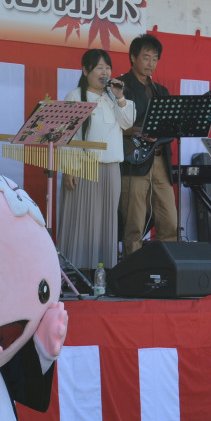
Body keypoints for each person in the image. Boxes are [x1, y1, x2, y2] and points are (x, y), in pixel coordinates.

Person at [57, 49, 135, 271]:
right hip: (84, 167)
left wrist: (120, 97)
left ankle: (103, 273)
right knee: (81, 220)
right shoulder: (74, 96)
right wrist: (69, 168)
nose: (105, 72)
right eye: (99, 67)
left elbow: (128, 123)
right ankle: (75, 272)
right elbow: (67, 137)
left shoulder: (114, 98)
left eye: (107, 68)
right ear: (85, 70)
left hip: (111, 169)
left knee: (106, 221)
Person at [118, 33, 177, 257]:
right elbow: (112, 124)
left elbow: (171, 127)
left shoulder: (162, 91)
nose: (151, 63)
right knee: (134, 223)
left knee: (169, 221)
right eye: (146, 57)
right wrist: (139, 131)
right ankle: (132, 269)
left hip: (161, 160)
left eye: (155, 59)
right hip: (133, 159)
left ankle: (166, 266)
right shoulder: (120, 87)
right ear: (133, 57)